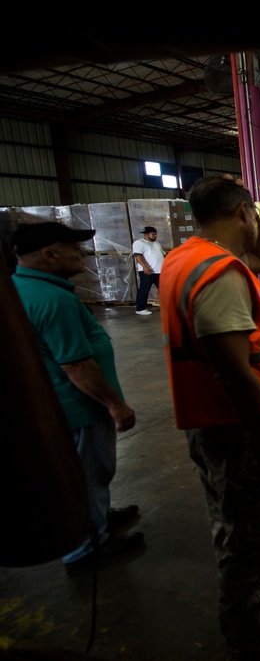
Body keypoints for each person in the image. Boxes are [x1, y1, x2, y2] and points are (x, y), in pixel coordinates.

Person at [159, 177, 260, 661]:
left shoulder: (184, 258)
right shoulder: (220, 275)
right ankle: (252, 641)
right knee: (254, 533)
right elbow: (233, 376)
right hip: (241, 431)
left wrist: (255, 230)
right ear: (242, 213)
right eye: (255, 215)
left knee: (241, 524)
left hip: (214, 425)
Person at [9, 221, 143, 568]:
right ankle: (87, 547)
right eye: (74, 248)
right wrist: (116, 405)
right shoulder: (53, 299)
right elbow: (77, 366)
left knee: (87, 475)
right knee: (88, 474)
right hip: (80, 408)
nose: (82, 254)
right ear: (49, 254)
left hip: (59, 408)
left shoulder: (19, 288)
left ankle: (97, 516)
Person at [132, 225, 165, 316]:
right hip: (147, 271)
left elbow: (163, 255)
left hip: (159, 271)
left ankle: (167, 306)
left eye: (156, 234)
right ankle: (140, 309)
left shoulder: (156, 243)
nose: (155, 236)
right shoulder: (139, 243)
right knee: (144, 289)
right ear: (146, 234)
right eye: (153, 234)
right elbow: (138, 256)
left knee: (165, 289)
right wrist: (145, 267)